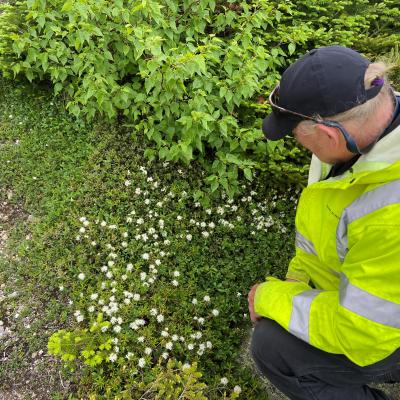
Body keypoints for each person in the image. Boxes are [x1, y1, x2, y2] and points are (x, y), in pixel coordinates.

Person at [248, 45, 400, 400]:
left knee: (273, 348)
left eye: (303, 142)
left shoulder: (391, 214)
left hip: (379, 330)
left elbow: (361, 333)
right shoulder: (361, 133)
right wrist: (296, 281)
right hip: (379, 304)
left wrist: (270, 297)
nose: (307, 153)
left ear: (329, 134)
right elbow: (321, 236)